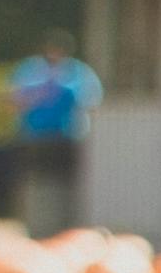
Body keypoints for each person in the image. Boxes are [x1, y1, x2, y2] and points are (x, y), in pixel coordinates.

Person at [6, 32, 101, 234]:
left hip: (68, 138)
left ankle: (65, 226)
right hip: (35, 137)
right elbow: (12, 100)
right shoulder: (31, 71)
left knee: (67, 185)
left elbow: (93, 103)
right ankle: (35, 226)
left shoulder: (78, 73)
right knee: (34, 181)